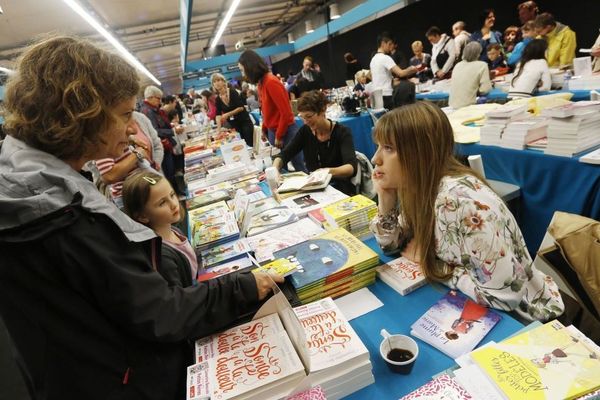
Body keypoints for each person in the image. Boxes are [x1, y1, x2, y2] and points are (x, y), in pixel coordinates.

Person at [0, 35, 282, 399]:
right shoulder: (61, 216)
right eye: (121, 116)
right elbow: (158, 313)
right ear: (82, 115)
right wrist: (243, 286)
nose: (132, 129)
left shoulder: (25, 188)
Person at [369, 101, 564, 323]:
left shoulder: (457, 203)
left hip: (530, 321)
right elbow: (392, 246)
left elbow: (504, 297)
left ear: (419, 153)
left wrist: (433, 266)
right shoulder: (421, 188)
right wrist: (385, 201)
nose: (375, 159)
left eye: (388, 148)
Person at [272, 91, 357, 196]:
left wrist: (327, 172)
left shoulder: (342, 132)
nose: (305, 121)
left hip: (340, 189)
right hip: (314, 190)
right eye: (302, 117)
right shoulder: (305, 131)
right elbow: (284, 155)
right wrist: (275, 170)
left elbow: (351, 168)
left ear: (323, 111)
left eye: (309, 116)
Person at [123, 171, 197, 288]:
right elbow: (180, 299)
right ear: (142, 216)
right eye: (162, 203)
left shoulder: (174, 231)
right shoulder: (162, 257)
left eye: (172, 195)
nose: (173, 204)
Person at [238, 49, 304, 171]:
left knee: (299, 167)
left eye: (242, 70)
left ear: (250, 67)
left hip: (286, 131)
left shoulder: (271, 82)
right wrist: (265, 129)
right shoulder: (261, 83)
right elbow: (266, 111)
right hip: (275, 131)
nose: (243, 74)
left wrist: (279, 135)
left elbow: (286, 112)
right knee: (280, 169)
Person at [95, 111, 163, 206]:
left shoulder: (115, 136)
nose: (134, 129)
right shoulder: (102, 140)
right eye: (126, 114)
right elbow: (109, 175)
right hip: (131, 196)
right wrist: (137, 154)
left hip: (141, 189)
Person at [140, 85, 182, 191]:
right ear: (150, 97)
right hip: (161, 148)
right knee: (168, 174)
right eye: (158, 98)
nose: (160, 102)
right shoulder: (147, 111)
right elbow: (155, 131)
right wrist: (172, 131)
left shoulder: (154, 110)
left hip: (165, 146)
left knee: (171, 172)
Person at [369, 32, 417, 110]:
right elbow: (401, 73)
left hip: (377, 97)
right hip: (387, 96)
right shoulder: (385, 58)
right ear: (383, 43)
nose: (391, 47)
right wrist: (412, 69)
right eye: (389, 44)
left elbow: (378, 78)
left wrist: (391, 80)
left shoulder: (373, 60)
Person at [211, 73, 254, 147]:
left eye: (218, 80)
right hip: (234, 125)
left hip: (244, 122)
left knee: (249, 143)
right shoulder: (218, 99)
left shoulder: (232, 92)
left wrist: (228, 114)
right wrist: (219, 129)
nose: (216, 83)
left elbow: (241, 108)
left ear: (223, 81)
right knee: (240, 146)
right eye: (214, 82)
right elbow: (218, 114)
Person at [449, 42, 492, 109]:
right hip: (469, 107)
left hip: (452, 106)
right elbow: (485, 90)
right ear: (478, 54)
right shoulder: (482, 65)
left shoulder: (457, 65)